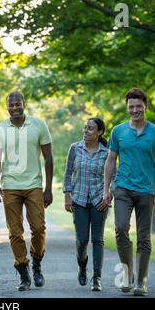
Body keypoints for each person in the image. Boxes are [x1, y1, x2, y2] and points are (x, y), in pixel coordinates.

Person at [103, 88, 155, 296]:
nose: (135, 110)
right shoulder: (118, 131)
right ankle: (127, 275)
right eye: (131, 107)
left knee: (144, 236)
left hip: (146, 190)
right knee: (121, 228)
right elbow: (110, 161)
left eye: (138, 106)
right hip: (122, 187)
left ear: (145, 106)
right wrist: (107, 189)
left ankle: (141, 282)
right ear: (127, 108)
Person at [0, 91, 54, 291]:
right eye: (11, 105)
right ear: (6, 106)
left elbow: (49, 158)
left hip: (34, 185)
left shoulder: (39, 125)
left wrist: (49, 189)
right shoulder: (0, 129)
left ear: (24, 104)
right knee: (15, 232)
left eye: (18, 104)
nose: (15, 108)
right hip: (10, 186)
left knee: (38, 228)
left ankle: (36, 261)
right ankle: (23, 272)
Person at [63, 118, 114, 291]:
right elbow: (67, 172)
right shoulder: (75, 148)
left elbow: (114, 177)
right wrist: (67, 196)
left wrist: (108, 195)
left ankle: (96, 278)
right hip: (78, 200)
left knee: (98, 239)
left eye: (90, 129)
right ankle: (82, 267)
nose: (85, 131)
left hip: (99, 201)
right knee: (82, 240)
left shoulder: (107, 153)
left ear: (99, 132)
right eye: (85, 128)